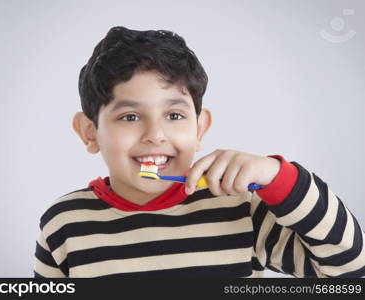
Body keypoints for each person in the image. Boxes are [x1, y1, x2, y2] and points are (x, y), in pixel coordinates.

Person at [34, 26, 365, 278]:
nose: (155, 135)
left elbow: (348, 269)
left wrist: (278, 177)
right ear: (90, 132)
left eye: (174, 115)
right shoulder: (64, 223)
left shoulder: (241, 210)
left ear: (200, 129)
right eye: (130, 116)